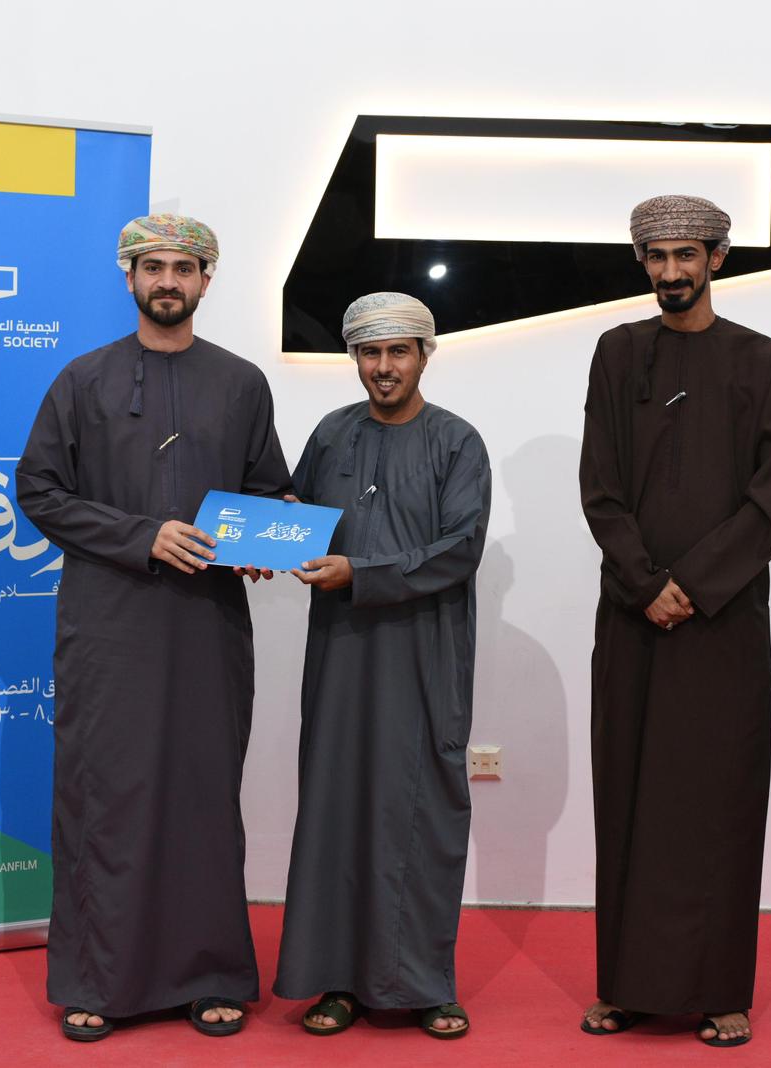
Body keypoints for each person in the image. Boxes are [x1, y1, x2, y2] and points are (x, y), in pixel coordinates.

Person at [16, 214, 292, 1042]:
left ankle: (211, 975)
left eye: (184, 267)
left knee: (203, 797)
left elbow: (267, 490)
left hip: (208, 627)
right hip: (108, 626)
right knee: (107, 797)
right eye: (153, 266)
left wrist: (262, 543)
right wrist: (142, 536)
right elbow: (39, 491)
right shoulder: (82, 380)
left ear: (207, 279)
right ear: (129, 276)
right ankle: (98, 981)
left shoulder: (241, 383)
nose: (168, 280)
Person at [577, 195, 771, 1047]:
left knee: (718, 801)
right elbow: (600, 485)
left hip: (723, 624)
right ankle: (627, 986)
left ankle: (718, 990)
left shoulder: (761, 360)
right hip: (633, 618)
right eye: (657, 256)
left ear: (717, 258)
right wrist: (645, 583)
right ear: (642, 262)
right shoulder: (617, 352)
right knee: (629, 796)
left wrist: (695, 586)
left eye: (686, 254)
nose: (671, 271)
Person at [273, 292, 491, 1040]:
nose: (384, 367)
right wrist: (258, 538)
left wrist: (361, 574)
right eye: (370, 352)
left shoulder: (457, 442)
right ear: (355, 358)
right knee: (337, 809)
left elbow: (459, 548)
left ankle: (425, 985)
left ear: (424, 356)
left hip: (424, 656)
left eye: (399, 351)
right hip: (340, 657)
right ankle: (338, 982)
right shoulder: (332, 433)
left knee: (420, 811)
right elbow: (296, 515)